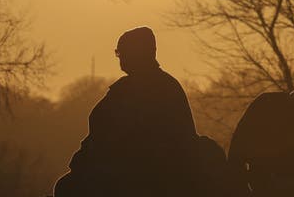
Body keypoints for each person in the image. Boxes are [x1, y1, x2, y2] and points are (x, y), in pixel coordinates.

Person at [54, 26, 201, 197]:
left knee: (67, 188)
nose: (119, 57)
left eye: (121, 52)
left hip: (141, 177)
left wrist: (85, 160)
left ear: (138, 53)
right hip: (139, 172)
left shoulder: (138, 90)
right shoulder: (165, 85)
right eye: (118, 52)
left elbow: (112, 139)